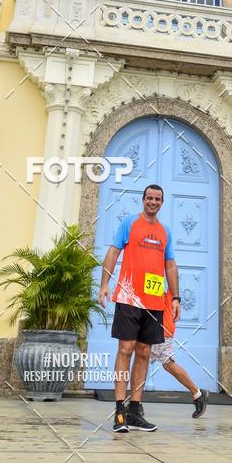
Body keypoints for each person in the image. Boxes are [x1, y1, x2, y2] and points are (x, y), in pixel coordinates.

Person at [99, 184, 180, 433]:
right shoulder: (129, 224)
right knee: (125, 349)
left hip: (154, 300)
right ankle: (119, 411)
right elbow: (113, 252)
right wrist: (104, 284)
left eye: (157, 199)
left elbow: (170, 265)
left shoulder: (165, 231)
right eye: (149, 198)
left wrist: (175, 298)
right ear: (143, 200)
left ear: (161, 203)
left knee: (144, 352)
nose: (153, 202)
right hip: (128, 296)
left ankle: (135, 410)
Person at [148, 288, 209, 418]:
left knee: (148, 362)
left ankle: (131, 405)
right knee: (166, 364)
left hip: (160, 328)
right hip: (157, 327)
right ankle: (198, 394)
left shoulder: (166, 277)